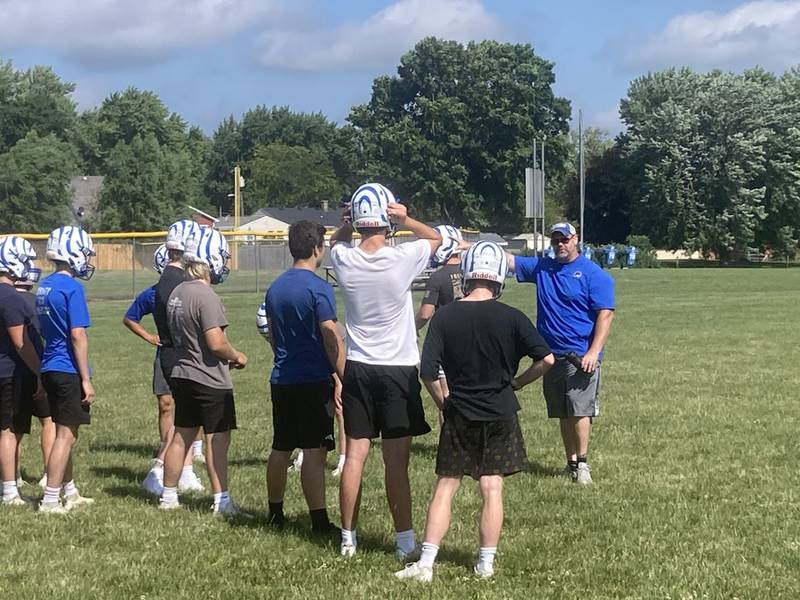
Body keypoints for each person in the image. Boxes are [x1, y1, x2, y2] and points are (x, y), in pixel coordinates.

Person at [395, 241, 554, 582]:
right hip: (500, 412)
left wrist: (443, 402)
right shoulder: (512, 317)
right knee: (492, 488)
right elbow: (547, 359)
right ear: (498, 277)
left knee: (445, 487)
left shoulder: (445, 316)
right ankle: (485, 564)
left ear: (467, 275)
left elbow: (427, 371)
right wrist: (517, 384)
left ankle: (426, 563)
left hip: (460, 411)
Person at [329, 182, 442, 559]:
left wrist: (347, 223)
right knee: (397, 463)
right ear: (386, 219)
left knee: (354, 457)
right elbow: (437, 239)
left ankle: (348, 538)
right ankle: (405, 540)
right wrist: (407, 218)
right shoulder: (401, 258)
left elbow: (335, 244)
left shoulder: (344, 259)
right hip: (397, 368)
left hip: (359, 367)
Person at [508, 222, 615, 484]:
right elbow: (509, 260)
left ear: (575, 239)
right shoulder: (544, 267)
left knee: (580, 410)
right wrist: (466, 246)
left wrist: (594, 352)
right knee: (562, 412)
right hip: (549, 356)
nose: (560, 245)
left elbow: (606, 314)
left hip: (580, 356)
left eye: (564, 240)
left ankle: (584, 464)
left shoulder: (593, 274)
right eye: (556, 241)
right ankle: (571, 463)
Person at [262, 220, 345, 533]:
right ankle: (320, 520)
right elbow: (328, 333)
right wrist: (342, 373)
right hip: (312, 380)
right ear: (316, 248)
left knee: (281, 446)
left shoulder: (275, 288)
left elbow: (271, 331)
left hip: (282, 377)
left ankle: (275, 513)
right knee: (314, 450)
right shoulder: (319, 288)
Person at [159, 227, 248, 515]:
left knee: (181, 435)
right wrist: (237, 355)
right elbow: (215, 342)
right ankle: (222, 501)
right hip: (209, 379)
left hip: (182, 372)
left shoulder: (177, 291)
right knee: (217, 440)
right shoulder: (205, 295)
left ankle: (168, 496)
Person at [122, 244, 203, 496]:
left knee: (189, 410)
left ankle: (184, 461)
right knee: (167, 406)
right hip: (166, 355)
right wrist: (149, 336)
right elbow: (130, 317)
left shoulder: (187, 292)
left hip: (184, 356)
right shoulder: (153, 294)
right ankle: (167, 461)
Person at [36, 226, 97, 513]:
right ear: (72, 254)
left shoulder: (44, 286)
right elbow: (78, 335)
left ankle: (68, 490)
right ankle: (50, 499)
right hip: (66, 367)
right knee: (66, 435)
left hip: (48, 364)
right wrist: (86, 378)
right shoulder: (73, 287)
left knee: (63, 430)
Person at [0, 236, 46, 506]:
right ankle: (8, 491)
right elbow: (21, 342)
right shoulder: (10, 297)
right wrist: (39, 371)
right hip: (8, 372)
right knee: (8, 431)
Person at [13, 259, 55, 490]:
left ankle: (12, 475)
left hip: (14, 370)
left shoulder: (7, 299)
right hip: (39, 366)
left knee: (13, 429)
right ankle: (50, 473)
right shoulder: (37, 301)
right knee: (48, 422)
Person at [415, 225, 463, 422]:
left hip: (447, 340)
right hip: (471, 336)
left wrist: (413, 328)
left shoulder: (438, 276)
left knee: (446, 396)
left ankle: (450, 442)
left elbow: (426, 313)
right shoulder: (469, 271)